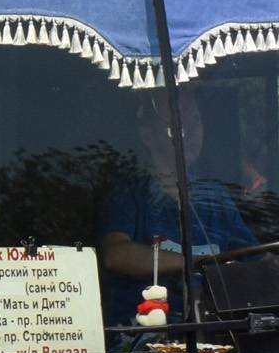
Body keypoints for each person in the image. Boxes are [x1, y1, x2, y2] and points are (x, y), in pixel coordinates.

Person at [100, 89, 256, 287]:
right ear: (148, 135)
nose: (191, 129)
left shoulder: (215, 197)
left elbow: (256, 258)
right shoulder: (130, 193)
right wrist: (196, 264)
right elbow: (115, 254)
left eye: (196, 119)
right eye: (178, 122)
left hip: (217, 308)